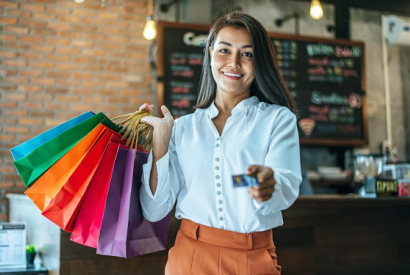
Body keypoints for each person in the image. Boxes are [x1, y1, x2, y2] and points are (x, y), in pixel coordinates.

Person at [139, 11, 302, 275]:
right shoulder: (182, 128)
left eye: (247, 54)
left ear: (259, 62)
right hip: (189, 256)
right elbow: (155, 210)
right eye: (225, 50)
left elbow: (286, 184)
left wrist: (266, 183)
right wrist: (160, 145)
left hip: (252, 257)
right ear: (211, 54)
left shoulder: (277, 119)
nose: (234, 63)